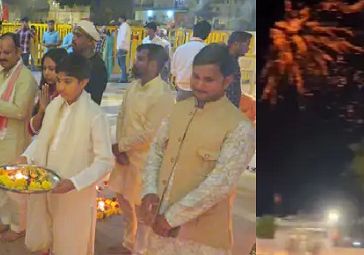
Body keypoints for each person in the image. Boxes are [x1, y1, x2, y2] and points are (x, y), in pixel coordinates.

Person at [140, 44, 256, 255]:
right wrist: (149, 190)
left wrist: (172, 218)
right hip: (159, 226)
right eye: (196, 76)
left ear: (227, 81)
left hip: (200, 239)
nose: (199, 85)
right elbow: (156, 150)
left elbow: (219, 185)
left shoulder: (239, 127)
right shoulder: (179, 109)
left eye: (209, 80)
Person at [20, 53, 113, 255]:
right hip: (48, 186)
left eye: (67, 82)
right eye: (59, 80)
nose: (60, 87)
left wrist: (75, 182)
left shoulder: (95, 115)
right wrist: (25, 157)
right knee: (49, 235)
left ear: (84, 82)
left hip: (74, 195)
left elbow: (105, 161)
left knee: (71, 242)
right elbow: (44, 139)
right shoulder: (55, 106)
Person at [109, 44, 175, 253]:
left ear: (154, 64)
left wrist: (122, 146)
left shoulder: (162, 94)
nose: (134, 62)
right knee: (124, 201)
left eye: (140, 59)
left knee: (143, 210)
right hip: (125, 157)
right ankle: (128, 244)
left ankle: (141, 250)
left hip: (145, 162)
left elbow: (150, 133)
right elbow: (121, 117)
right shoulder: (133, 86)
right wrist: (120, 148)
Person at [0, 33, 37, 243]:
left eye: (7, 52)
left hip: (13, 140)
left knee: (13, 188)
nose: (2, 56)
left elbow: (21, 112)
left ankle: (19, 226)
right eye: (0, 52)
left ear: (19, 52)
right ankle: (7, 219)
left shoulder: (26, 78)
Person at [28, 47, 67, 136]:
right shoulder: (46, 92)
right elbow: (32, 130)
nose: (46, 73)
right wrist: (41, 110)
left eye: (51, 69)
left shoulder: (68, 95)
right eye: (44, 68)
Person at [171, 20, 211, 101]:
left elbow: (173, 72)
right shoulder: (207, 50)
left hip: (181, 91)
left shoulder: (180, 49)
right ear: (207, 35)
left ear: (193, 32)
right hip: (199, 91)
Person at [72, 20, 109, 105]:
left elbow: (93, 100)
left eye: (78, 36)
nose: (73, 39)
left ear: (90, 41)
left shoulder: (98, 67)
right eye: (73, 35)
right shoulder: (70, 60)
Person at [225, 31, 252, 108]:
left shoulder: (232, 60)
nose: (248, 48)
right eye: (247, 44)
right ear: (236, 44)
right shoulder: (226, 61)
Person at [116, 15, 131, 83]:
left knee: (121, 62)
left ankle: (123, 78)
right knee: (120, 62)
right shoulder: (124, 26)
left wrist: (119, 47)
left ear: (121, 19)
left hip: (122, 47)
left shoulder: (124, 26)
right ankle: (124, 75)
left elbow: (122, 37)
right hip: (123, 46)